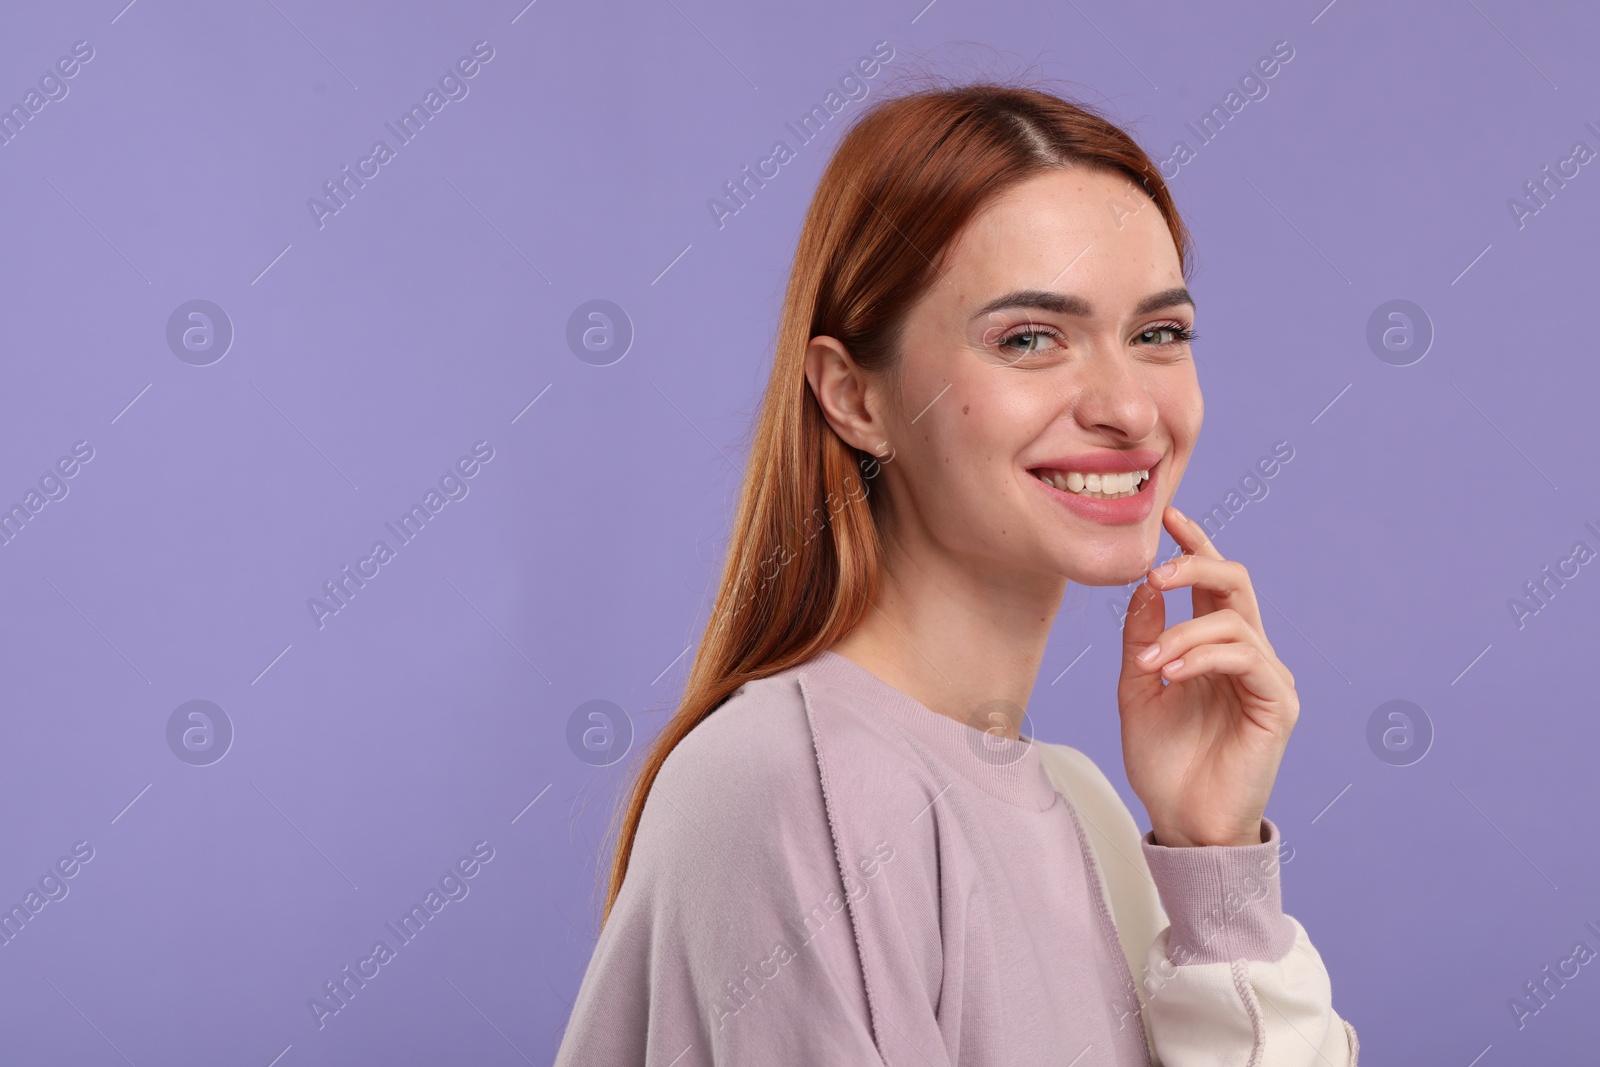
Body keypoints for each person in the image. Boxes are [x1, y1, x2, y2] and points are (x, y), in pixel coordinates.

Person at [554, 79, 1359, 1065]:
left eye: (1158, 333)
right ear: (854, 397)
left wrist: (1213, 857)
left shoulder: (1085, 803)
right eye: (1028, 337)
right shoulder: (786, 784)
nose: (1129, 409)